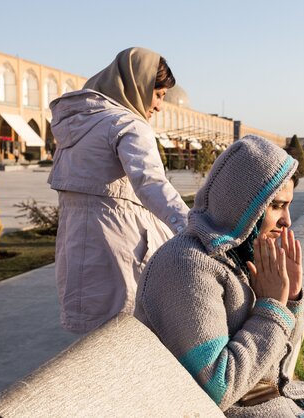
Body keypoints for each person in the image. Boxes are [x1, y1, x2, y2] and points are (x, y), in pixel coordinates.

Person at [136, 136, 304, 417]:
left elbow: (275, 357)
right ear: (241, 205)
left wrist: (291, 297)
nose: (287, 220)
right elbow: (219, 388)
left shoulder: (239, 254)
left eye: (288, 206)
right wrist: (273, 305)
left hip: (279, 398)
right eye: (276, 206)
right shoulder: (186, 266)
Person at [47, 47, 189, 333]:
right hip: (119, 251)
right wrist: (193, 228)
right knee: (127, 345)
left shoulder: (77, 125)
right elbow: (151, 183)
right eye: (158, 94)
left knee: (91, 346)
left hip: (76, 253)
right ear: (137, 84)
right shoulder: (127, 123)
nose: (160, 106)